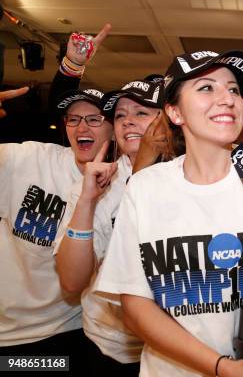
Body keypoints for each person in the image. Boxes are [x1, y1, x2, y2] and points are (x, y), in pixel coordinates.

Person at [94, 50, 243, 376]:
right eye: (207, 88)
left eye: (234, 89)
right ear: (175, 112)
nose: (227, 99)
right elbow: (136, 307)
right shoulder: (145, 187)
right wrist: (219, 367)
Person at [54, 78, 168, 375]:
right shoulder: (97, 183)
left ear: (168, 119)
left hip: (176, 347)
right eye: (119, 115)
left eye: (141, 113)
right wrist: (87, 201)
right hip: (109, 347)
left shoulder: (189, 176)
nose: (128, 120)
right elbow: (71, 281)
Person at [0, 84, 112, 374]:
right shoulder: (29, 160)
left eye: (94, 118)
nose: (81, 126)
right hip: (7, 331)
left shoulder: (122, 183)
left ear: (112, 127)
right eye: (73, 119)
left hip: (68, 331)